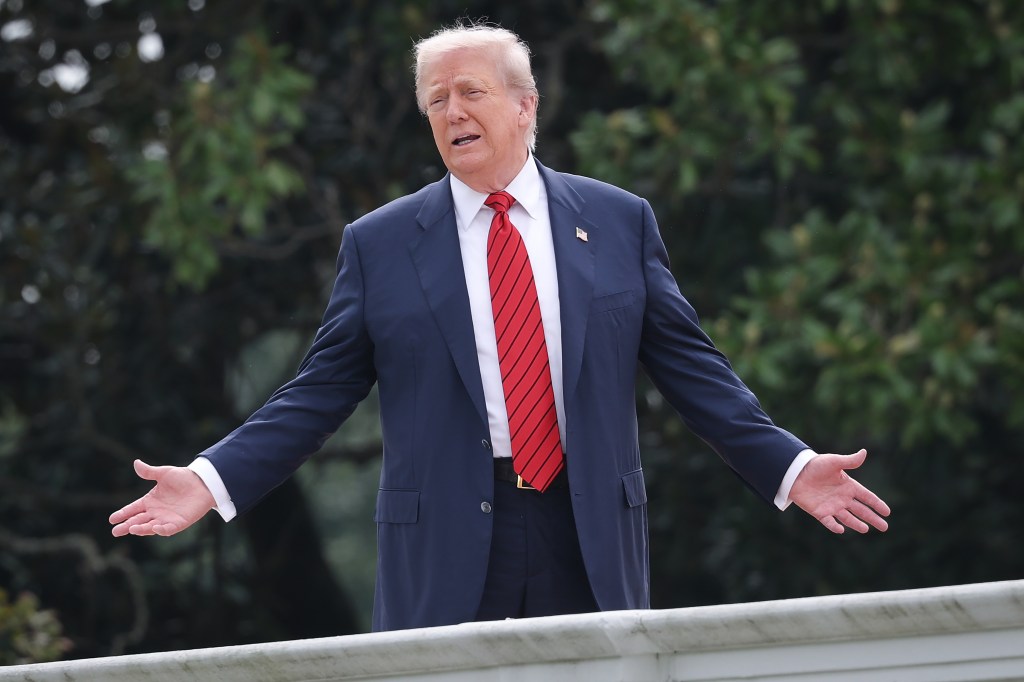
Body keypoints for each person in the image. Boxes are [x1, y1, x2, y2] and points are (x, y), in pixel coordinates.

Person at [110, 22, 890, 632]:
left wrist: (790, 467)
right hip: (446, 528)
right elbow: (318, 392)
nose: (452, 113)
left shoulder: (618, 222)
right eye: (436, 101)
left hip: (585, 523)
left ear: (525, 106)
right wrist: (210, 483)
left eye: (470, 93)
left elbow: (694, 371)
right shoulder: (379, 244)